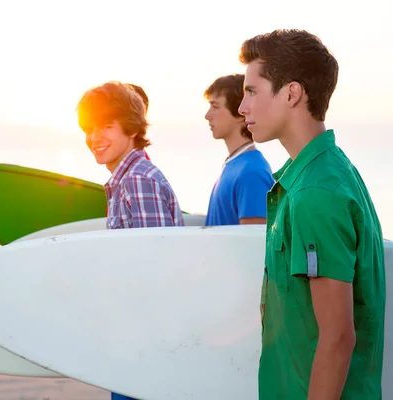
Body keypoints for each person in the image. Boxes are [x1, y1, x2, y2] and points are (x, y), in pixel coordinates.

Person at [237, 29, 386, 399]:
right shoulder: (321, 174)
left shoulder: (315, 194)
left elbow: (337, 339)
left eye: (251, 91)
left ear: (291, 93)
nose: (243, 107)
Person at [76, 81, 184, 400]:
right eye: (89, 128)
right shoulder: (126, 180)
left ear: (132, 128)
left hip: (144, 344)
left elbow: (159, 270)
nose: (95, 137)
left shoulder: (138, 181)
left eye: (106, 126)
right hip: (134, 338)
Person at [203, 74, 274, 226]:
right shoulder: (234, 165)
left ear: (240, 113)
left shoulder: (251, 173)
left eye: (215, 107)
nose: (207, 116)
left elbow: (252, 244)